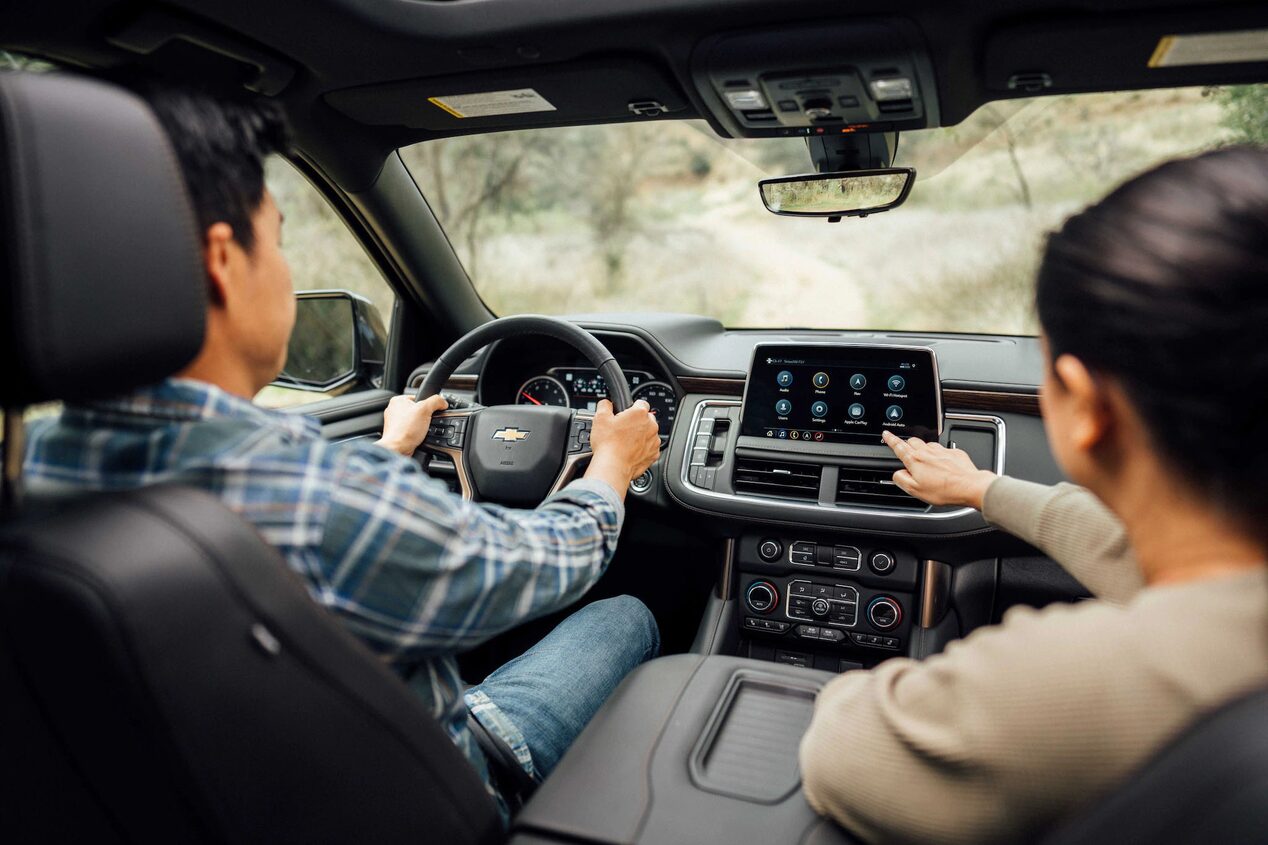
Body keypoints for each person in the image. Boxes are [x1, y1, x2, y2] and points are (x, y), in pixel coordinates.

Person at [21, 79, 663, 817]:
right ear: (222, 263)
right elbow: (539, 561)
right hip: (439, 789)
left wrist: (390, 452)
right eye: (281, 240)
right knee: (631, 616)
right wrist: (611, 465)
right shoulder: (313, 494)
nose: (288, 275)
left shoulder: (29, 473)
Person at [799, 147, 1268, 843]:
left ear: (1083, 404)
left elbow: (838, 747)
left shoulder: (1075, 684)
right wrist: (983, 488)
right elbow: (1150, 561)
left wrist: (838, 683)